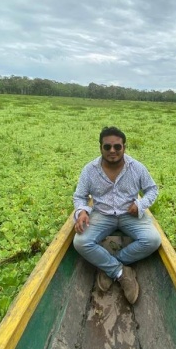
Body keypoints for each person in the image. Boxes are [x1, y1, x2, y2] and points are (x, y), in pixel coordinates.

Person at [73, 126, 161, 304]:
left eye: (117, 147)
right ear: (101, 148)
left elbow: (152, 190)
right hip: (102, 214)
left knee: (153, 240)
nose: (112, 151)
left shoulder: (136, 168)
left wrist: (140, 204)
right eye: (107, 147)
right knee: (80, 242)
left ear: (124, 147)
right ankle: (121, 272)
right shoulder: (89, 170)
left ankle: (110, 265)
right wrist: (82, 211)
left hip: (130, 214)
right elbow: (80, 196)